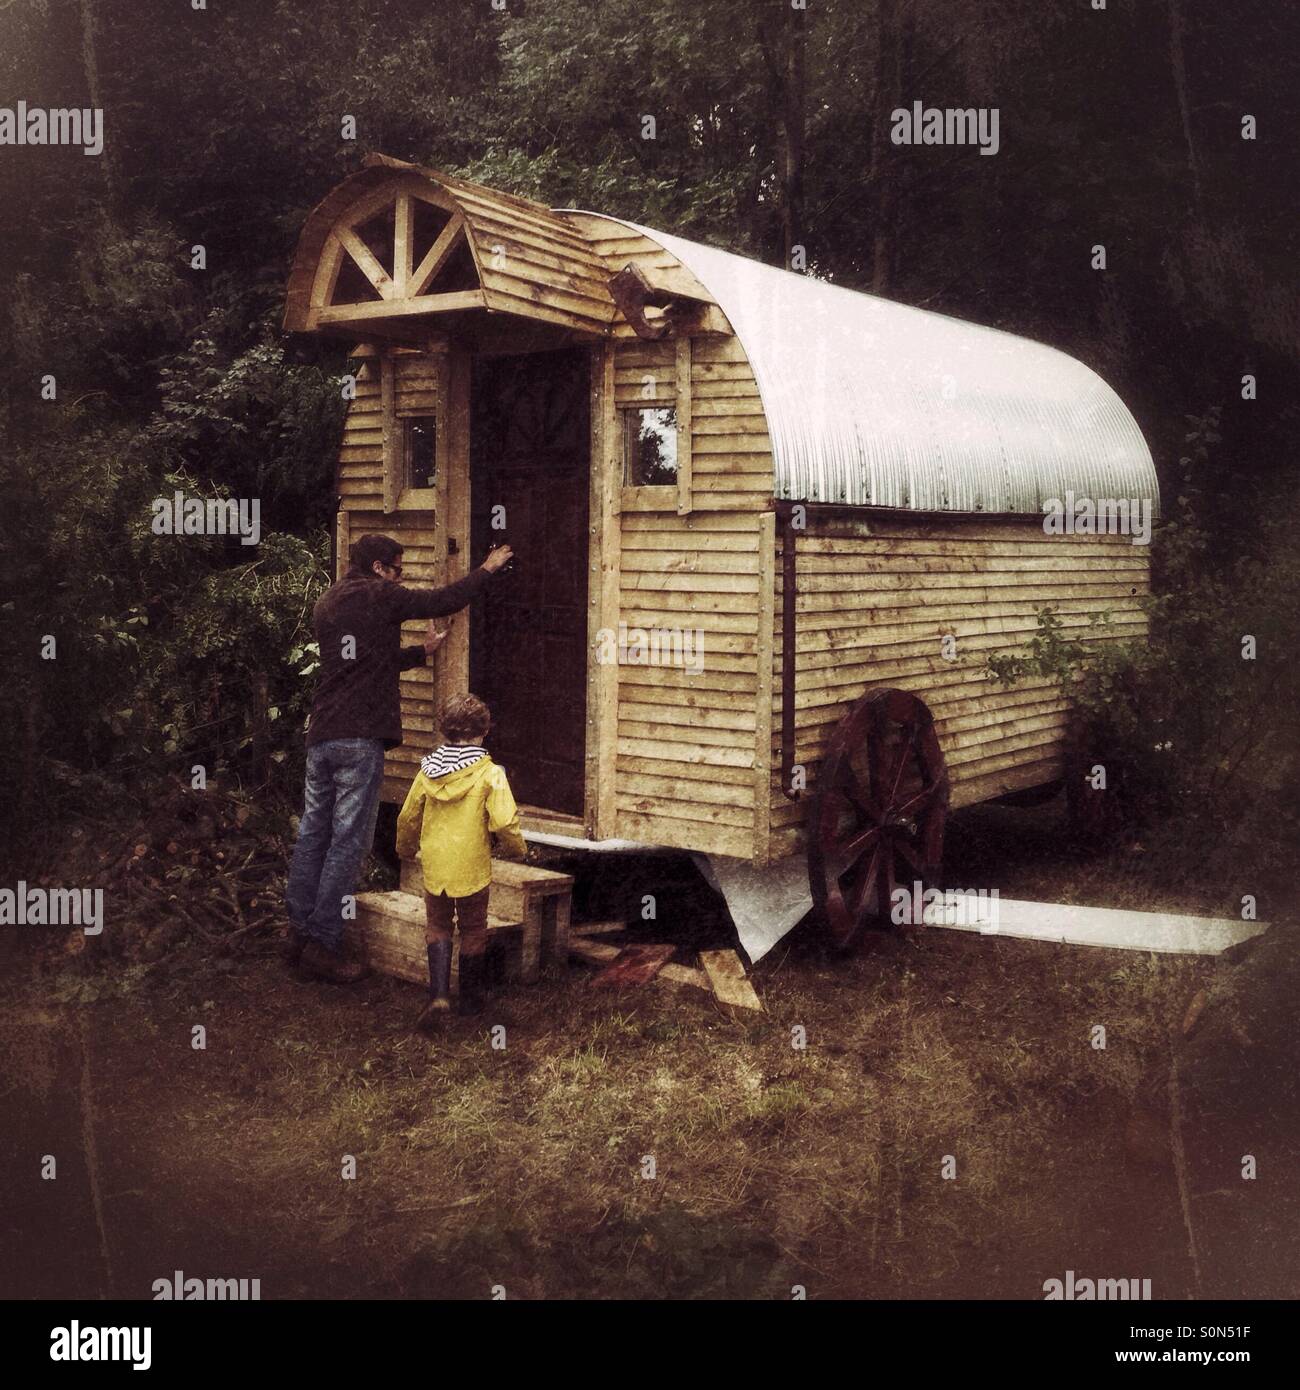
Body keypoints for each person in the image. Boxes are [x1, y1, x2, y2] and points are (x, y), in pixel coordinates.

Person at [285, 534, 513, 983]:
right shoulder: (379, 593)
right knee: (348, 842)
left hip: (322, 734)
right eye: (397, 568)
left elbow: (367, 661)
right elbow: (442, 599)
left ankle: (296, 933)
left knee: (313, 833)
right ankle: (323, 944)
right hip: (358, 737)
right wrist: (488, 569)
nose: (401, 576)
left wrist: (419, 653)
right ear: (377, 568)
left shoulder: (328, 601)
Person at [395, 693, 528, 1031]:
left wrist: (405, 849)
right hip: (471, 867)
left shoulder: (427, 772)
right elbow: (503, 821)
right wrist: (516, 850)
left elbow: (408, 816)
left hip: (436, 865)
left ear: (445, 731)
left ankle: (438, 995)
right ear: (484, 731)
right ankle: (470, 1001)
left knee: (438, 925)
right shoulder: (489, 773)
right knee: (473, 928)